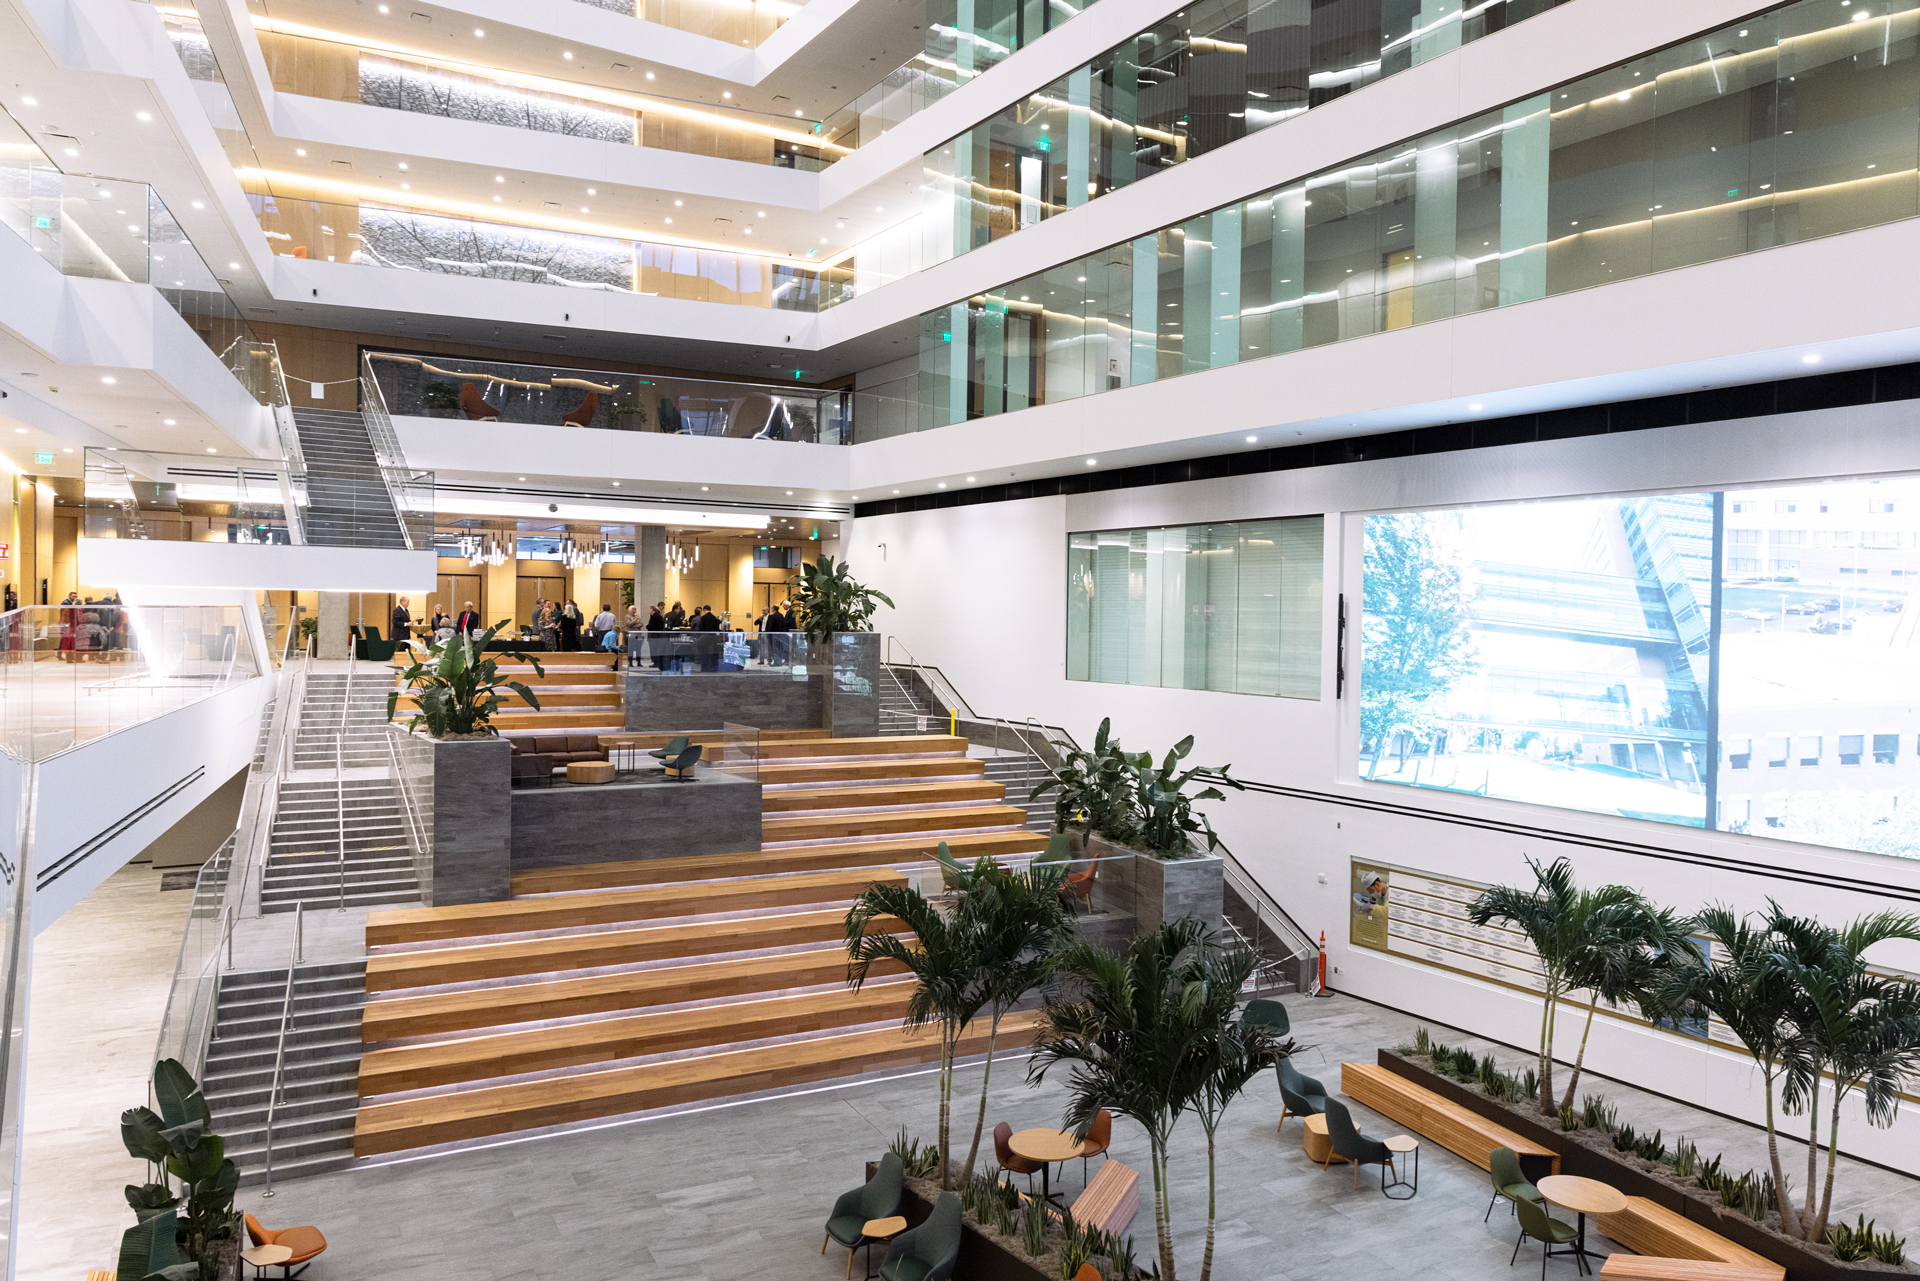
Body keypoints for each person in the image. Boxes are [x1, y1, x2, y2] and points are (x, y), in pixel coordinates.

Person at [644, 602, 667, 670]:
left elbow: (651, 626)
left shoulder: (653, 616)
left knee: (653, 649)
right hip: (659, 636)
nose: (649, 611)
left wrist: (647, 626)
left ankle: (655, 662)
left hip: (653, 636)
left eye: (649, 610)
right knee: (657, 649)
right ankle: (657, 662)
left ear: (652, 610)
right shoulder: (660, 616)